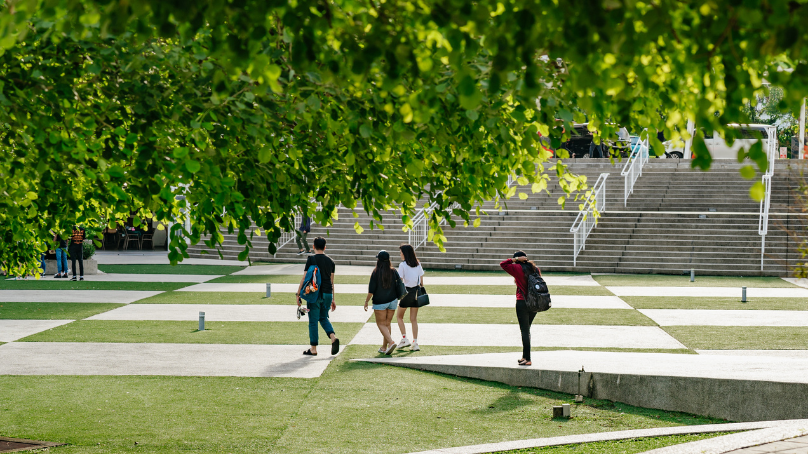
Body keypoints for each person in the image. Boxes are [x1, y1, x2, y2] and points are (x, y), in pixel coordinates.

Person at [296, 237, 339, 356]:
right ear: (325, 247)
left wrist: (298, 293)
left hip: (315, 294)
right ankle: (333, 337)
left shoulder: (311, 259)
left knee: (313, 321)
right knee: (324, 318)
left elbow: (305, 278)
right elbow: (331, 282)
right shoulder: (331, 261)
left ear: (313, 246)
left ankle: (313, 348)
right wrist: (333, 299)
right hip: (328, 294)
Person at [500, 251, 542, 366]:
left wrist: (514, 260)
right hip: (535, 303)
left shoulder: (517, 268)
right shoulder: (535, 268)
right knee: (527, 330)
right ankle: (525, 356)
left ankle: (527, 359)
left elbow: (503, 264)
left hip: (522, 303)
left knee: (524, 330)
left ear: (518, 259)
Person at [364, 250, 400, 355]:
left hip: (380, 301)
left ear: (378, 260)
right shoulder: (393, 271)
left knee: (380, 323)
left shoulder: (376, 272)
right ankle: (384, 347)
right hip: (393, 300)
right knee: (387, 324)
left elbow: (371, 290)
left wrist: (366, 301)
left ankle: (391, 342)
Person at [395, 244, 424, 351]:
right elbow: (421, 280)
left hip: (406, 292)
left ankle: (404, 338)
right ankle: (415, 342)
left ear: (405, 253)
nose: (400, 254)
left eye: (401, 252)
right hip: (416, 292)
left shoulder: (403, 265)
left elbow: (400, 280)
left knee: (399, 317)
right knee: (413, 319)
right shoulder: (417, 263)